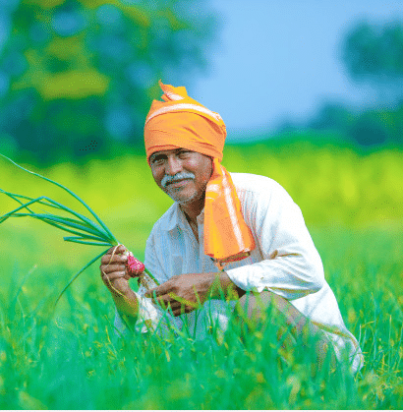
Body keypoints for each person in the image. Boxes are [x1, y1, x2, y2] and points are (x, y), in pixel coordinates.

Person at [100, 81, 363, 373]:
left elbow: (306, 271)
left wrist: (212, 285)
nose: (172, 170)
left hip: (321, 359)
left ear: (209, 154)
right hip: (233, 369)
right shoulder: (162, 235)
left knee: (255, 307)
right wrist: (124, 296)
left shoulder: (259, 196)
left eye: (183, 153)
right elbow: (165, 334)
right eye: (159, 159)